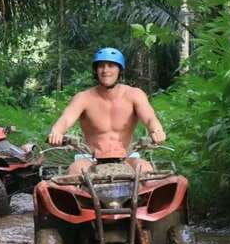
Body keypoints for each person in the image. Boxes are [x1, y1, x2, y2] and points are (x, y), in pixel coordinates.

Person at [47, 47, 166, 175]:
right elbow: (65, 120)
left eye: (111, 66)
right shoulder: (83, 98)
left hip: (126, 157)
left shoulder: (134, 95)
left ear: (120, 70)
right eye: (101, 66)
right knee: (75, 171)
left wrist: (157, 131)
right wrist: (56, 132)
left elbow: (150, 118)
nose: (105, 70)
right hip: (90, 159)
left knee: (146, 169)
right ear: (96, 70)